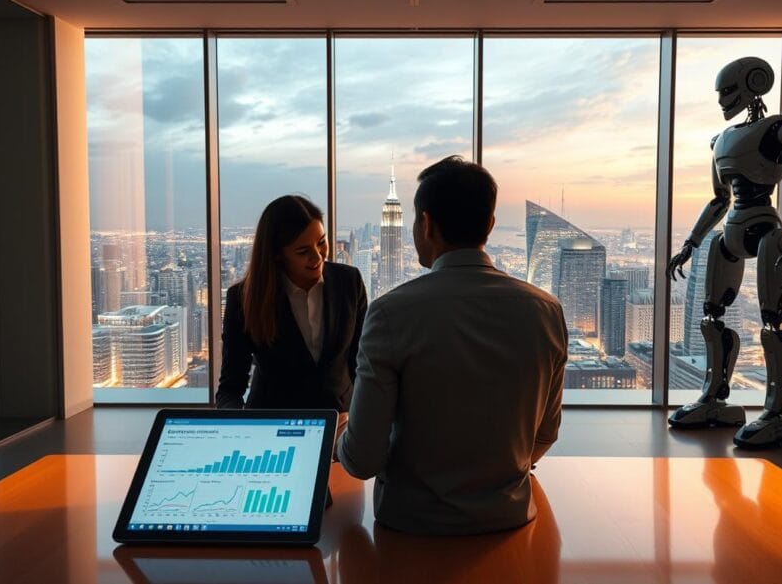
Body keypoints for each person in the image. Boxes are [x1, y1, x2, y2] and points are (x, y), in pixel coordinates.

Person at [338, 156, 569, 535]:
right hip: (509, 523)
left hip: (409, 525)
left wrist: (339, 443)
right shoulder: (546, 311)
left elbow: (362, 460)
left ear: (425, 224)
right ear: (490, 225)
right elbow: (545, 434)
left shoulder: (390, 314)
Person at [216, 195, 367, 417]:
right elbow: (231, 387)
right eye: (303, 251)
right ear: (277, 255)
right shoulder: (244, 298)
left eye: (321, 242)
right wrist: (240, 428)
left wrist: (359, 418)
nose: (318, 256)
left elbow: (362, 362)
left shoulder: (349, 282)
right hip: (273, 427)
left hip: (341, 425)